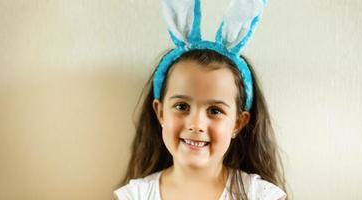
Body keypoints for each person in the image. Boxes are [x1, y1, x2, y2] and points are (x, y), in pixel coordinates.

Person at [114, 0, 287, 199]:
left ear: (238, 123)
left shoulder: (260, 196)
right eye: (181, 106)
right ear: (160, 112)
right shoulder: (135, 196)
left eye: (215, 110)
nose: (196, 124)